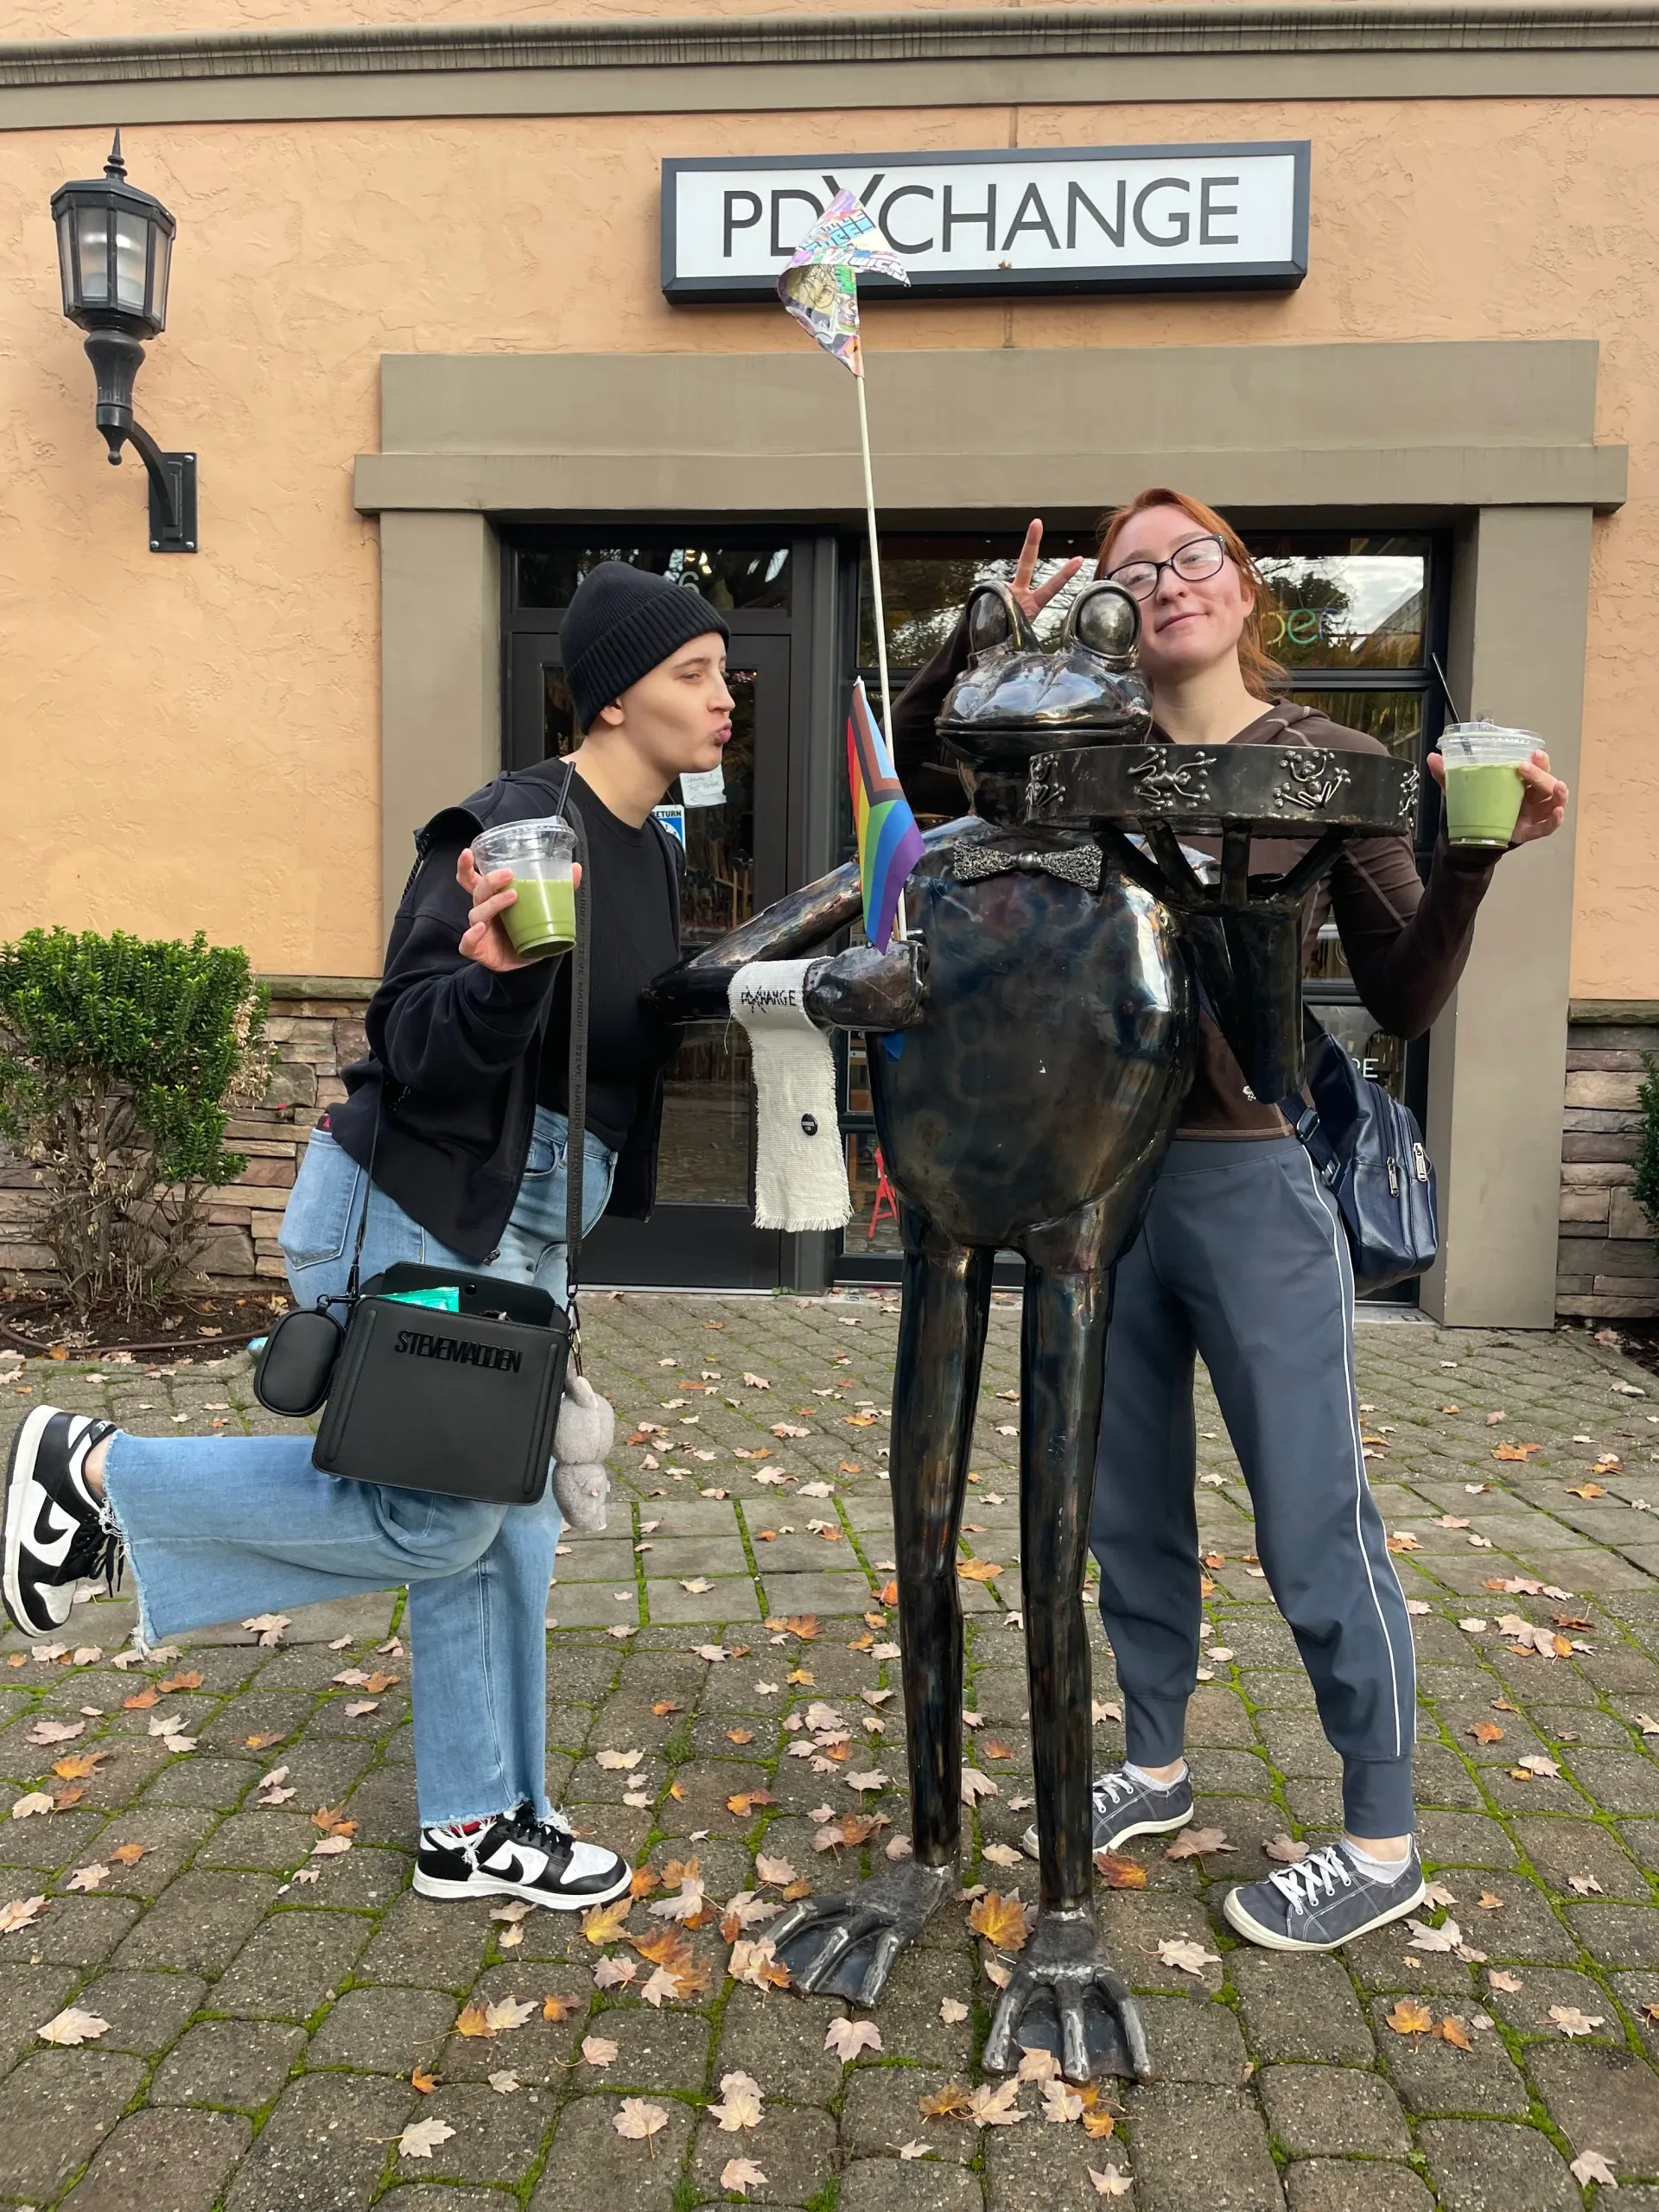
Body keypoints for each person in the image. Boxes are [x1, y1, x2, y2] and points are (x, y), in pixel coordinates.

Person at [3, 562, 734, 1914]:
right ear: (617, 696)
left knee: (504, 1522)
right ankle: (103, 1474)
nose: (723, 696)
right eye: (692, 672)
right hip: (431, 1196)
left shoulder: (657, 852)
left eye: (721, 671)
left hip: (533, 1217)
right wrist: (499, 979)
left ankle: (475, 1822)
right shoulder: (518, 823)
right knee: (439, 1519)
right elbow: (406, 1043)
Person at [893, 494, 1568, 1951]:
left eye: (1189, 556)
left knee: (1312, 1517)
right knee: (1124, 1506)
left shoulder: (1333, 762)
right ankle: (1151, 1760)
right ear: (1110, 614)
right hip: (1096, 1181)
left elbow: (1403, 995)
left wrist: (1474, 858)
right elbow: (932, 764)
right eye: (1132, 572)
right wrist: (971, 635)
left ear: (1242, 584)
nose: (1164, 584)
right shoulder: (1085, 761)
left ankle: (1380, 1836)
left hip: (1249, 1179)